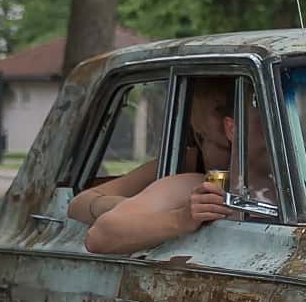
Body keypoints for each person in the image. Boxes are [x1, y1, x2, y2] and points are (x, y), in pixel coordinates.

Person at [83, 85, 274, 256]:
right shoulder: (198, 186)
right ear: (232, 128)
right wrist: (182, 218)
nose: (275, 131)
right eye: (265, 117)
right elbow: (99, 236)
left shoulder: (303, 190)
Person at [68, 80, 231, 225]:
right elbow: (78, 205)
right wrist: (147, 209)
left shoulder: (253, 166)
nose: (232, 119)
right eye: (220, 109)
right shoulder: (184, 162)